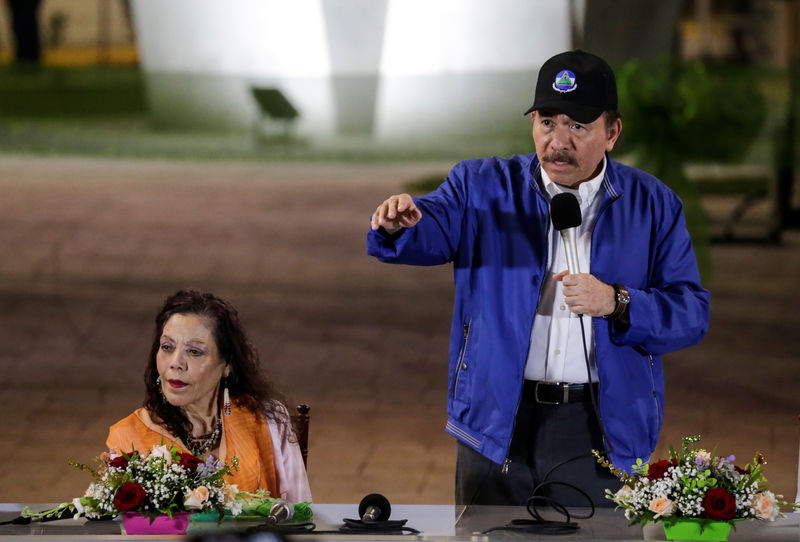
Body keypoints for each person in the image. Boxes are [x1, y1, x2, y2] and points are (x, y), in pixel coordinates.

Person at [367, 50, 710, 507]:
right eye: (547, 122)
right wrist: (399, 224)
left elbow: (691, 312)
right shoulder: (482, 186)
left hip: (601, 431)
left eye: (578, 126)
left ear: (613, 133)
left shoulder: (653, 204)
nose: (557, 142)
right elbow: (432, 224)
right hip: (496, 424)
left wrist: (617, 302)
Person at [107, 289, 311, 503]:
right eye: (167, 347)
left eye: (194, 351)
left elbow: (302, 515)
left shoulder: (266, 420)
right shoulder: (129, 437)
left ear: (227, 365)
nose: (175, 363)